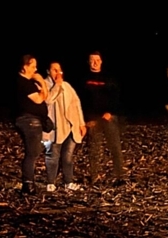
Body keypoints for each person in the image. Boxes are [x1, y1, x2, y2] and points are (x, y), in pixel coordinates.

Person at [83, 51, 126, 183]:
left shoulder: (109, 78)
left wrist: (110, 112)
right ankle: (94, 176)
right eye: (92, 60)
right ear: (88, 62)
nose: (95, 63)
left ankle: (120, 176)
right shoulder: (84, 79)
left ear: (101, 61)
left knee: (115, 147)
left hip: (108, 117)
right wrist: (86, 119)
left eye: (97, 60)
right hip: (93, 119)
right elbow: (81, 100)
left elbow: (116, 97)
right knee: (94, 149)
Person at [43, 62, 86, 191]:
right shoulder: (44, 84)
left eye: (59, 70)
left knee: (67, 156)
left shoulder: (67, 86)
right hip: (54, 127)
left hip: (71, 126)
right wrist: (57, 85)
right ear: (48, 71)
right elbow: (48, 100)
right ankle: (51, 182)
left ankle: (68, 181)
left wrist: (81, 123)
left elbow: (76, 103)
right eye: (54, 70)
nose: (57, 73)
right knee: (53, 155)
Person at [15, 55, 50, 191]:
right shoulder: (23, 83)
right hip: (29, 121)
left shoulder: (28, 83)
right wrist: (41, 81)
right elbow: (39, 99)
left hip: (33, 120)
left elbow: (44, 96)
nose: (35, 69)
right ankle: (28, 183)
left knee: (34, 151)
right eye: (33, 66)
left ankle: (29, 181)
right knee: (32, 152)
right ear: (25, 67)